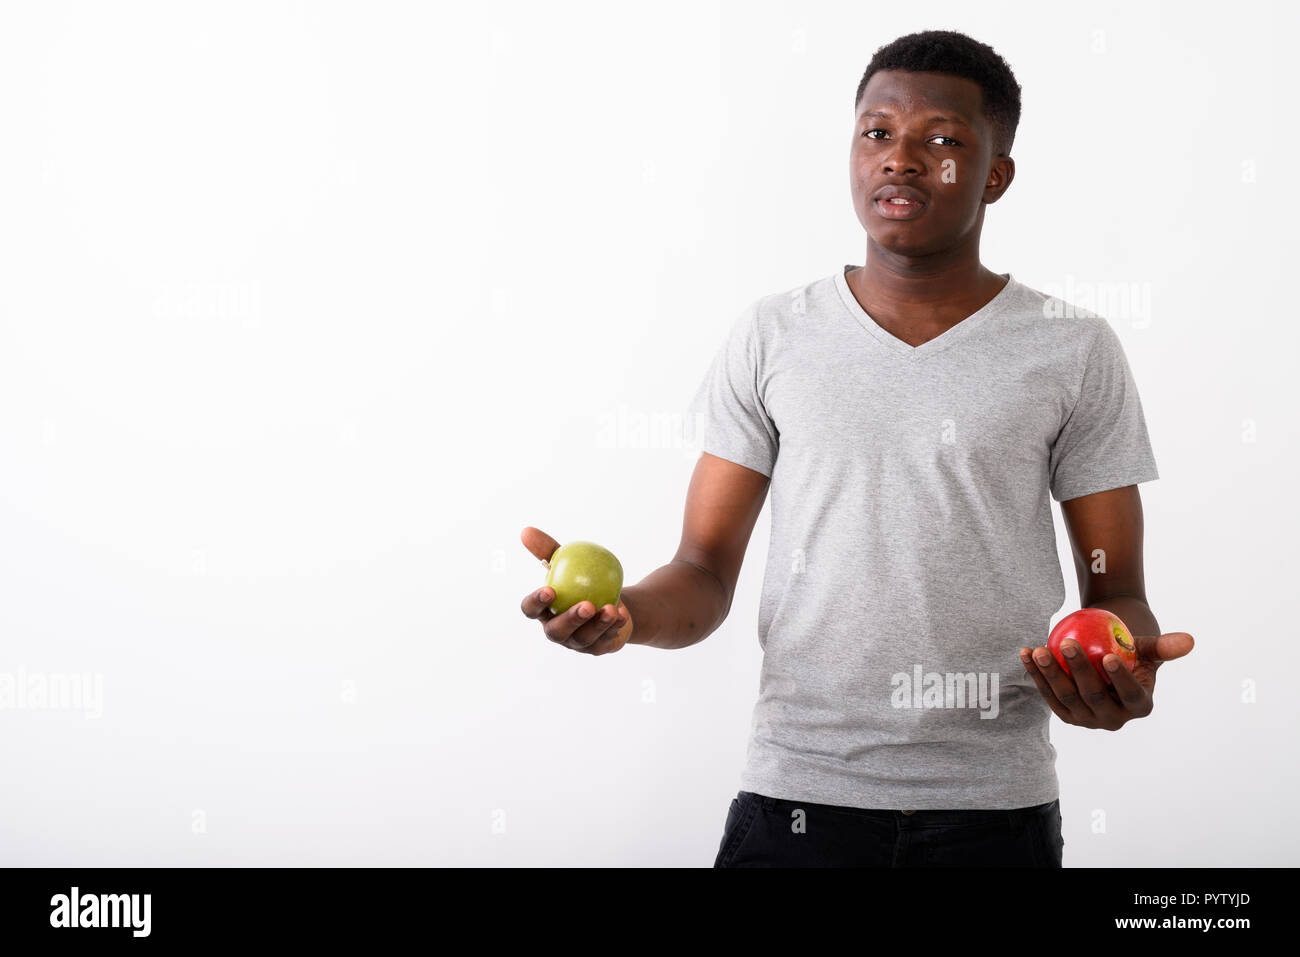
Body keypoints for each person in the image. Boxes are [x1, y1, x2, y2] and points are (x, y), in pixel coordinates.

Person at [519, 29, 1194, 867]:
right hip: (795, 803)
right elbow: (701, 573)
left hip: (993, 816)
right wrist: (624, 620)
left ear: (995, 174)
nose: (901, 159)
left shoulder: (1072, 347)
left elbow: (1117, 591)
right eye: (877, 132)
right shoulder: (773, 335)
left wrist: (1117, 668)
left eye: (942, 140)